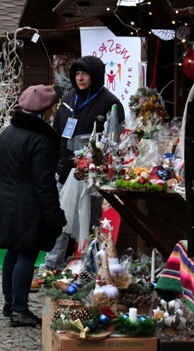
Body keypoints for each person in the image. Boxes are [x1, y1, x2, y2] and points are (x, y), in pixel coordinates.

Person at [40, 55, 126, 271]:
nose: (80, 78)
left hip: (92, 174)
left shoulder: (110, 103)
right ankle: (51, 263)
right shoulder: (69, 98)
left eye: (85, 74)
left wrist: (95, 160)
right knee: (62, 218)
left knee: (92, 221)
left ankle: (92, 266)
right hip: (66, 169)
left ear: (95, 75)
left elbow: (115, 142)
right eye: (77, 74)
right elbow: (59, 131)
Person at [0, 84, 66, 328]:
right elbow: (44, 183)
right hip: (28, 204)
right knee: (26, 253)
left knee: (12, 251)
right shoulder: (41, 139)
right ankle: (20, 310)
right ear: (45, 110)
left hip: (6, 198)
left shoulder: (8, 132)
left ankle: (10, 302)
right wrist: (54, 215)